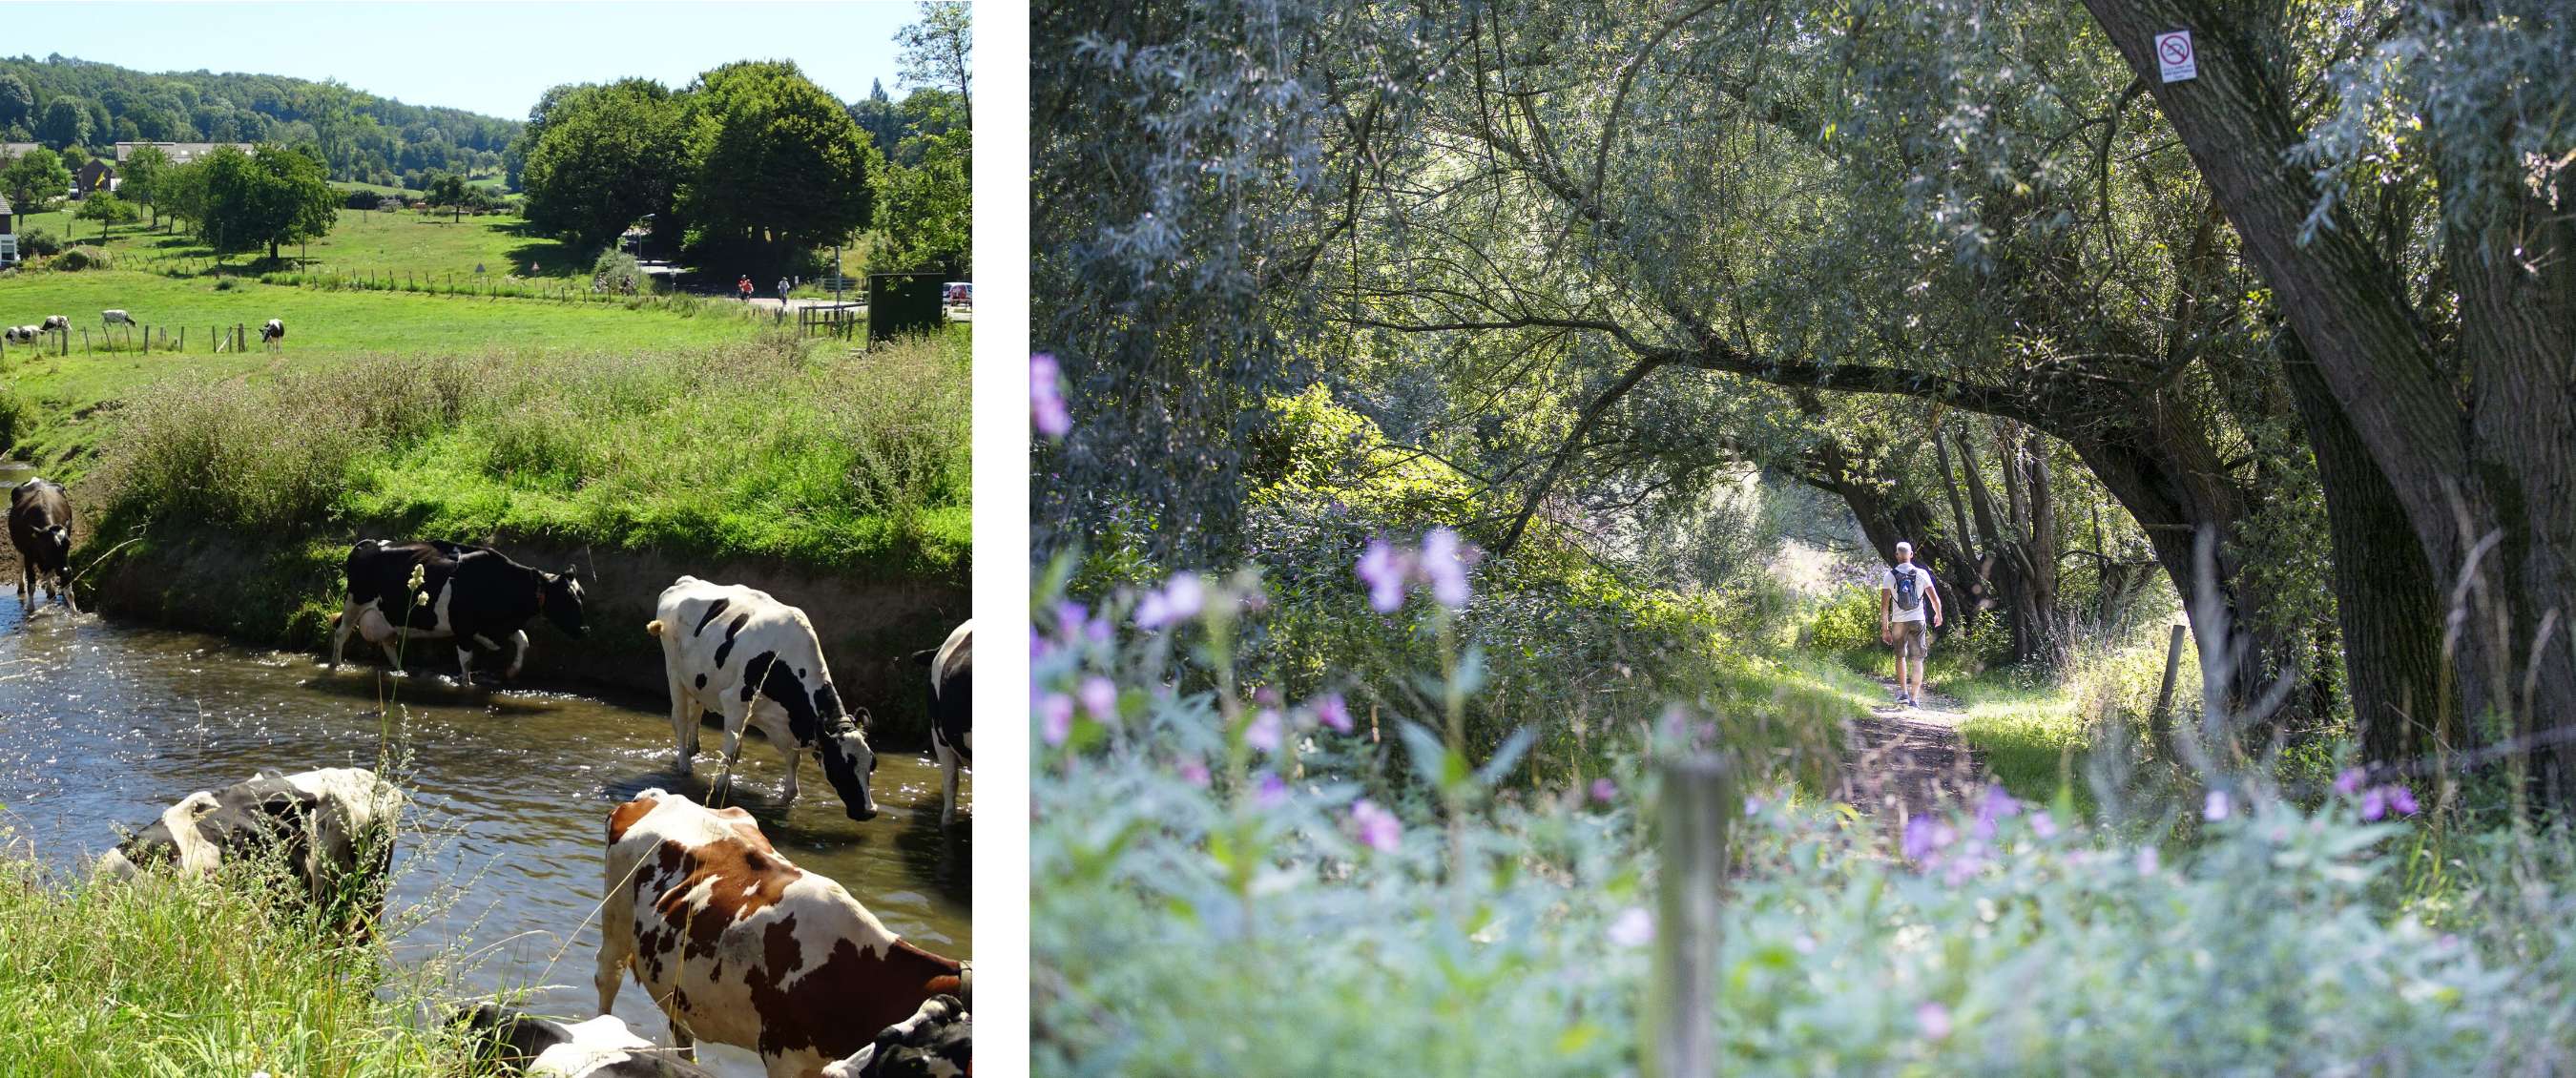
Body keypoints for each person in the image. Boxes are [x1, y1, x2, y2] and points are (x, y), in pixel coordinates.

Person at [1879, 541, 1943, 708]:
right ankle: (1914, 700)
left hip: (1899, 622)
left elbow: (1884, 607)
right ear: (1911, 555)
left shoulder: (1889, 576)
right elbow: (1935, 599)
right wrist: (1938, 615)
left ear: (1896, 555)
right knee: (1917, 659)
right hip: (1918, 620)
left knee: (1900, 656)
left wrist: (1885, 629)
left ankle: (1904, 694)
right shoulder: (1922, 573)